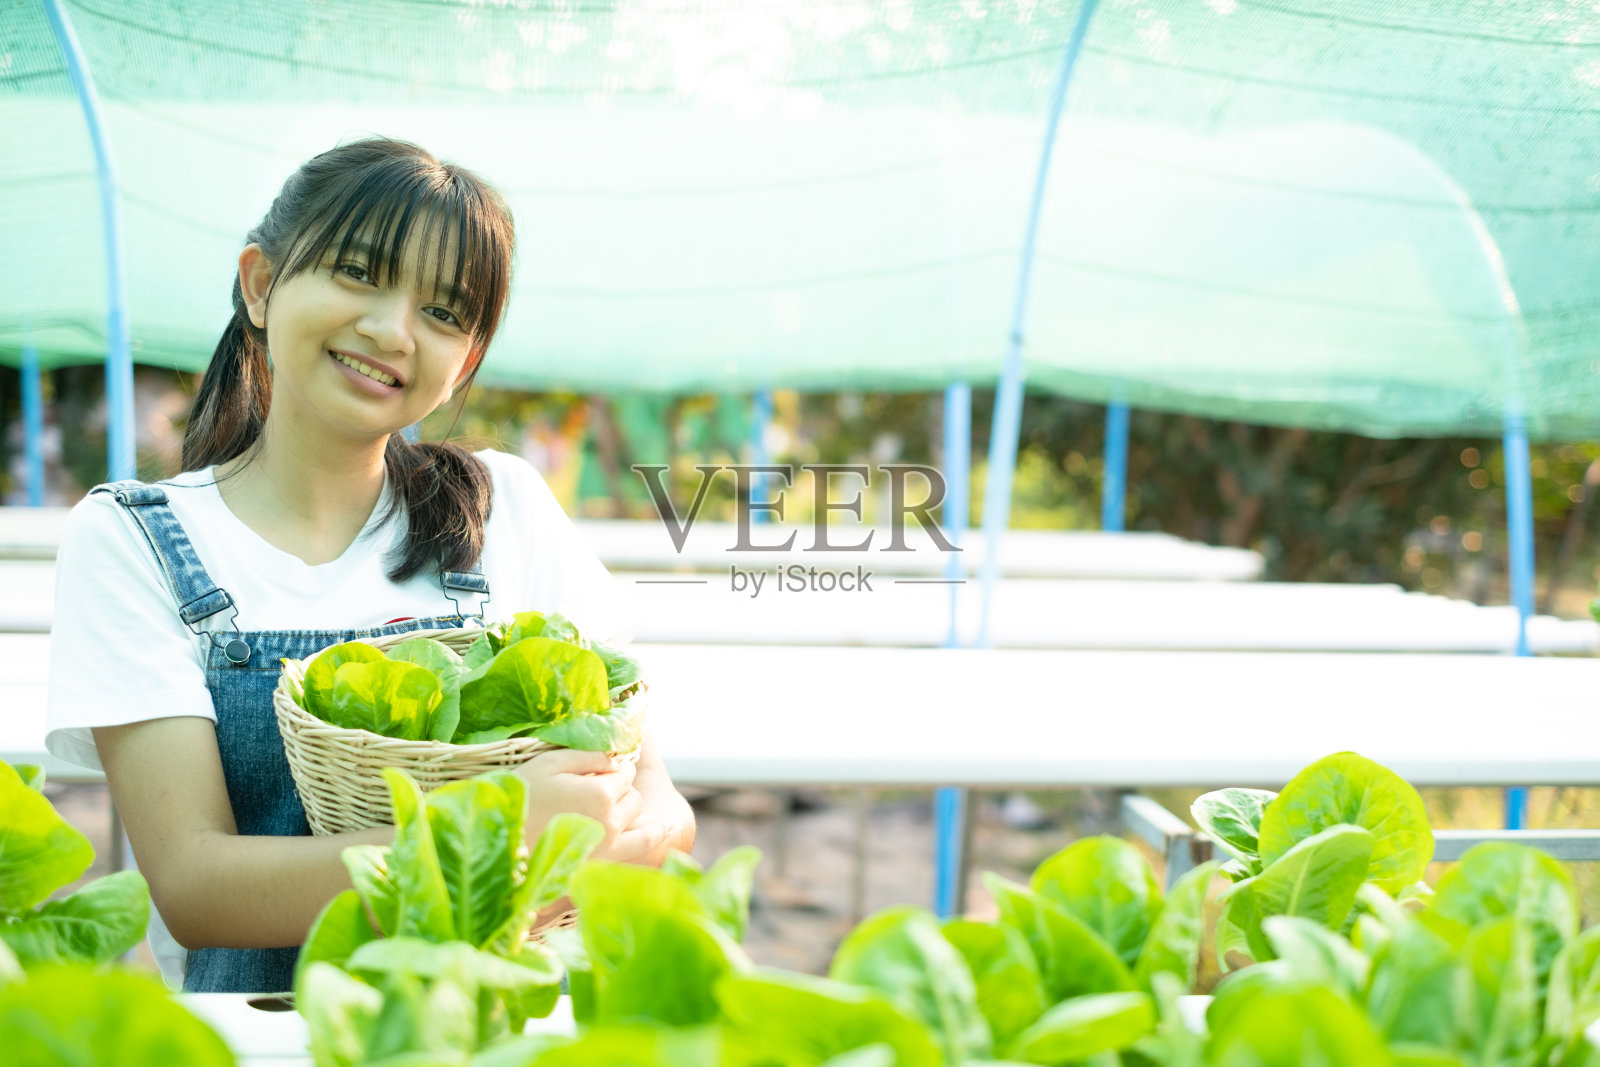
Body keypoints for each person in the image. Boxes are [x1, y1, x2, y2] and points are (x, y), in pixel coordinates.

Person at [43, 137, 694, 994]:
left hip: (492, 1034)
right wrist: (488, 835)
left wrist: (623, 839)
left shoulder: (509, 508)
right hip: (257, 1041)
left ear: (467, 357)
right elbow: (198, 886)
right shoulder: (132, 539)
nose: (392, 331)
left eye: (445, 313)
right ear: (262, 283)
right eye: (358, 272)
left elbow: (660, 805)